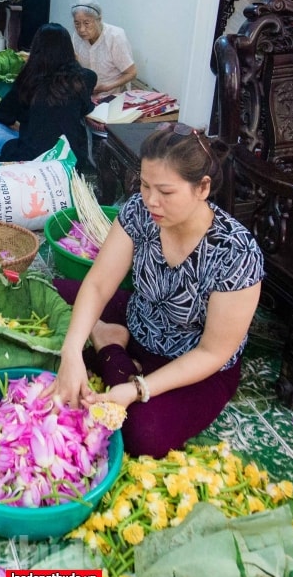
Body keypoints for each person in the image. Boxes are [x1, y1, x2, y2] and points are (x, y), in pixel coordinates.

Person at [45, 123, 264, 458]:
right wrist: (71, 351)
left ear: (202, 188)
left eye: (165, 191)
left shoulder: (236, 254)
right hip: (140, 319)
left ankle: (109, 347)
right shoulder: (140, 212)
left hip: (193, 364)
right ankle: (108, 344)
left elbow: (212, 353)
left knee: (142, 435)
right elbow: (100, 283)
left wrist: (137, 388)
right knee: (50, 292)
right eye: (145, 186)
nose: (151, 200)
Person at [0, 23, 97, 172]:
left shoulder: (28, 80)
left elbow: (2, 116)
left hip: (32, 161)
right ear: (69, 50)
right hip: (72, 162)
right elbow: (86, 108)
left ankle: (8, 161)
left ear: (36, 50)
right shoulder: (87, 77)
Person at [70, 0, 137, 104]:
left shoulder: (115, 37)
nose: (81, 29)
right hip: (86, 95)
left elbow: (131, 73)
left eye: (87, 23)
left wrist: (106, 87)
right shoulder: (76, 37)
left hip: (112, 97)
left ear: (99, 19)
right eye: (77, 23)